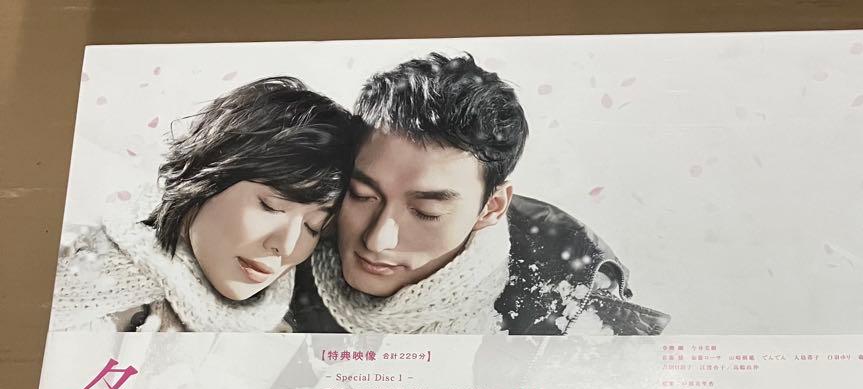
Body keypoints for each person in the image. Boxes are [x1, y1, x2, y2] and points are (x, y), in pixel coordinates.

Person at [290, 53, 670, 336]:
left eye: (425, 211)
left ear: (492, 207)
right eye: (361, 195)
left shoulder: (573, 312)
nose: (377, 239)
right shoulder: (283, 248)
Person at [52, 77, 354, 333]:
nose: (286, 246)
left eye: (313, 227)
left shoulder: (281, 327)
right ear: (205, 180)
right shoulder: (90, 292)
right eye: (271, 206)